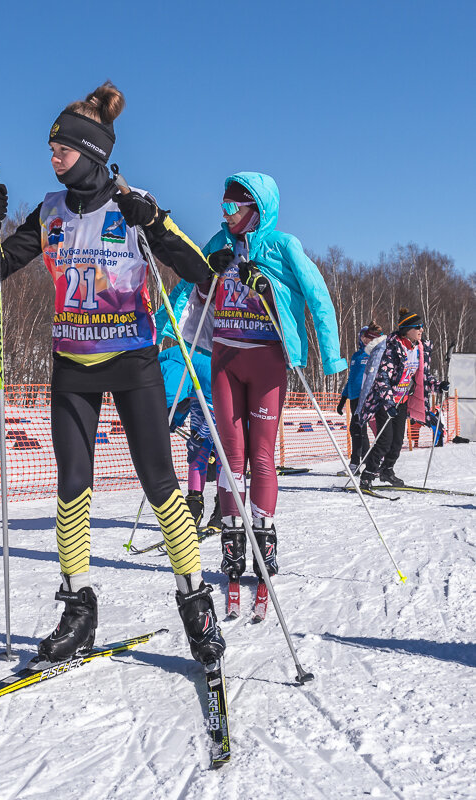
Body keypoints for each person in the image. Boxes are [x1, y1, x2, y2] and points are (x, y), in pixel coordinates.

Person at [0, 82, 225, 668]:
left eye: (60, 148)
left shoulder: (132, 202)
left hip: (133, 361)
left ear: (90, 150)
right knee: (72, 486)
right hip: (72, 366)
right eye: (50, 149)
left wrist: (156, 222)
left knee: (161, 486)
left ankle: (195, 604)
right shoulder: (50, 210)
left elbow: (202, 269)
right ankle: (77, 608)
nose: (53, 156)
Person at [172, 173, 346, 618]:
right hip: (225, 357)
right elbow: (187, 284)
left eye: (233, 208)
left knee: (262, 455)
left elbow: (318, 295)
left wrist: (331, 358)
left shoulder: (282, 245)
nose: (225, 216)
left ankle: (264, 541)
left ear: (256, 209)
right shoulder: (218, 242)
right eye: (222, 207)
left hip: (267, 358)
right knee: (231, 456)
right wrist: (170, 317)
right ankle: (232, 542)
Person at [356, 309, 446, 488]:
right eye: (417, 327)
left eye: (421, 327)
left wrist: (438, 385)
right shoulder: (393, 348)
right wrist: (389, 403)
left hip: (402, 401)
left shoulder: (419, 349)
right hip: (385, 401)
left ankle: (387, 471)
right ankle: (367, 475)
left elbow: (422, 377)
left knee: (397, 441)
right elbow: (382, 378)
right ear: (407, 330)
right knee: (385, 440)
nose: (421, 330)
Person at [158, 345, 221, 532]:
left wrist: (200, 436)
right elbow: (180, 399)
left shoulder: (209, 372)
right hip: (196, 396)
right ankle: (194, 503)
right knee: (197, 453)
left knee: (219, 452)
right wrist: (173, 420)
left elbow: (216, 417)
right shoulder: (172, 366)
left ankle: (223, 506)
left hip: (218, 401)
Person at [336, 323, 382, 474]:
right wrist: (343, 399)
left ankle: (356, 464)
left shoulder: (373, 354)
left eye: (368, 337)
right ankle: (366, 462)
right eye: (363, 336)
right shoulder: (356, 356)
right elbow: (351, 379)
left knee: (357, 429)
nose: (365, 340)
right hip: (354, 398)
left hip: (365, 398)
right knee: (358, 430)